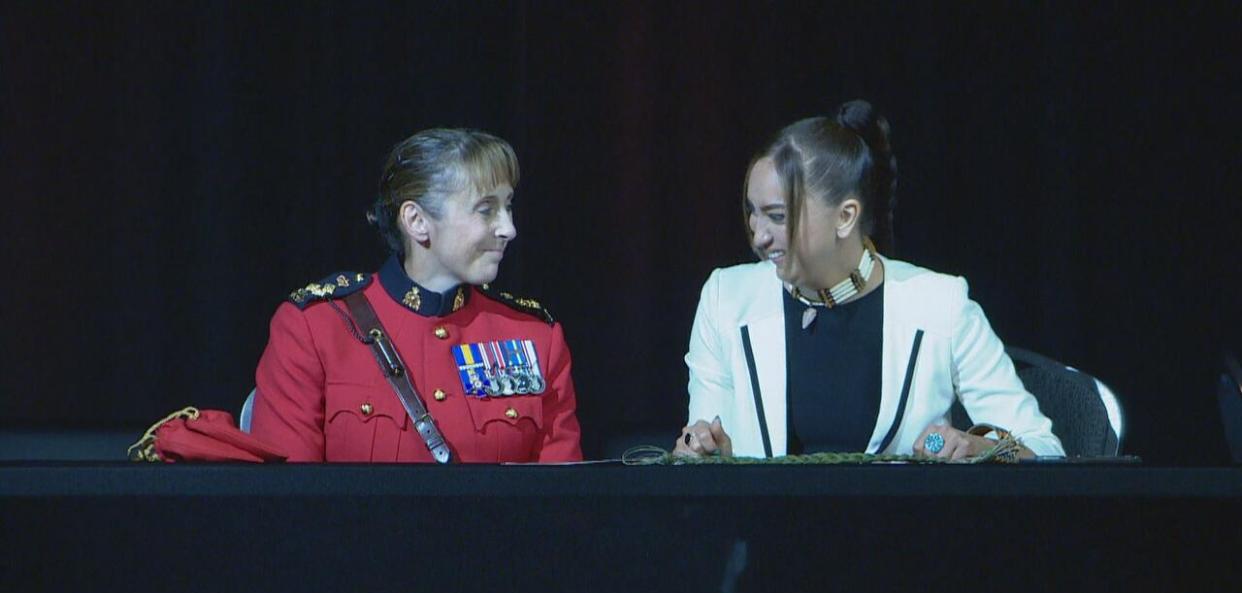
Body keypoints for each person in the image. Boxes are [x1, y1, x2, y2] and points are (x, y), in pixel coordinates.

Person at [674, 100, 1063, 460]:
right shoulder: (726, 298)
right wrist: (702, 449)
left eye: (777, 216)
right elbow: (706, 442)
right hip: (763, 529)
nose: (758, 235)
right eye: (752, 213)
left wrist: (976, 446)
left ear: (845, 217)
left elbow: (1043, 449)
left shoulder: (941, 304)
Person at [251, 128, 582, 462]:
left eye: (508, 206)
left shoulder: (535, 337)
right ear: (416, 221)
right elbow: (287, 501)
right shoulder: (315, 329)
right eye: (486, 209)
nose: (508, 229)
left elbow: (563, 501)